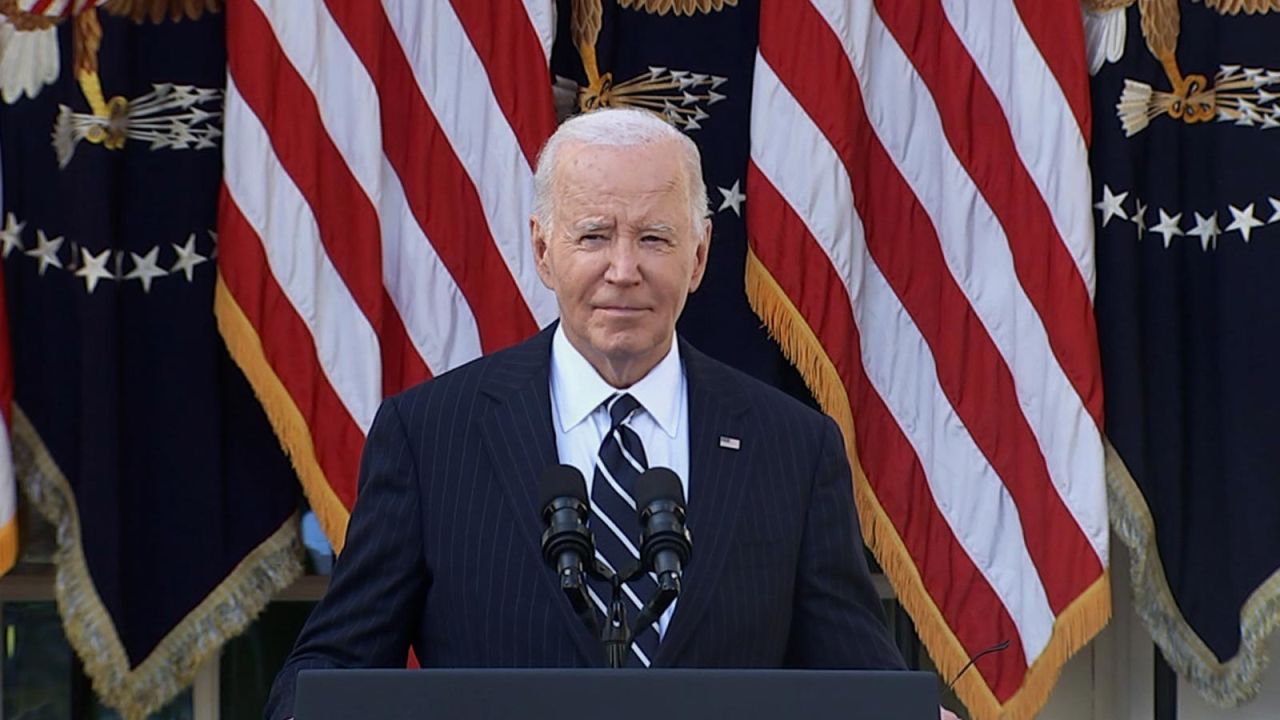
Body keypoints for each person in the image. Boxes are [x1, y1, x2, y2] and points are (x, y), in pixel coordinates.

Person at [266, 108, 910, 719]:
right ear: (544, 251)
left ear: (700, 256)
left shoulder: (791, 446)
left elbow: (858, 677)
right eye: (594, 236)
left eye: (654, 238)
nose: (623, 270)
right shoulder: (430, 435)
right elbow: (333, 664)